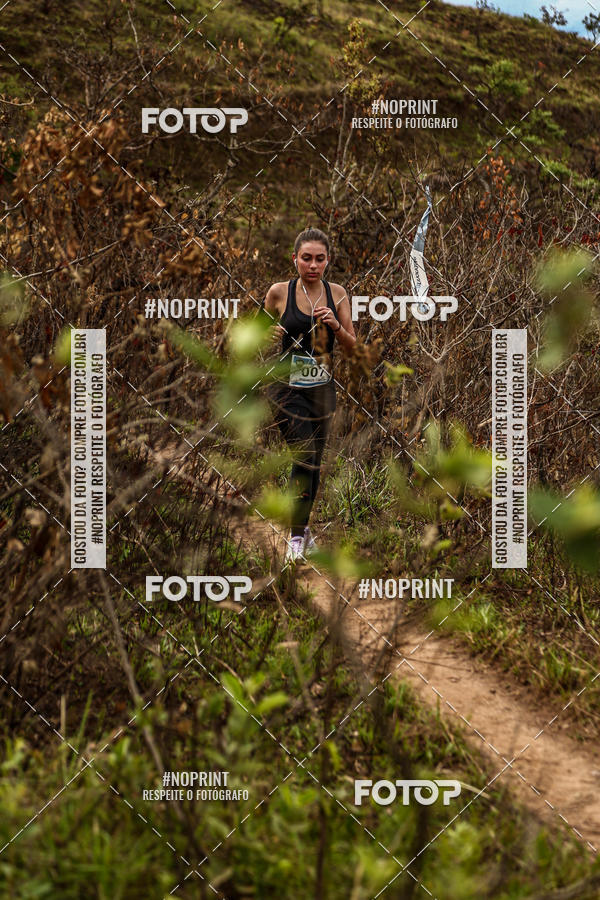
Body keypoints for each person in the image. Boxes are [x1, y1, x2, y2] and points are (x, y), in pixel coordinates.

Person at [262, 227, 356, 563]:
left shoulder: (338, 294)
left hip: (321, 391)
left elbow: (353, 346)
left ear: (327, 260)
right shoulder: (279, 292)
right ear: (295, 259)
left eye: (319, 259)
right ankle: (296, 541)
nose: (312, 265)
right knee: (303, 456)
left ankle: (301, 531)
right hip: (285, 389)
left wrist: (335, 325)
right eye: (306, 258)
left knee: (313, 464)